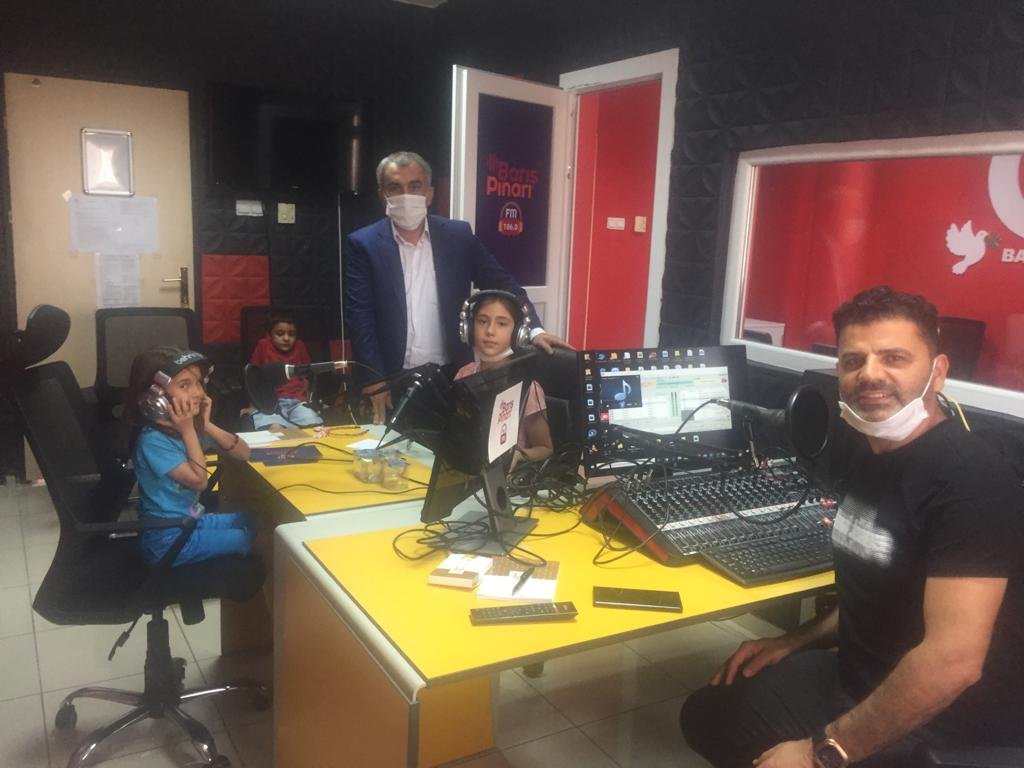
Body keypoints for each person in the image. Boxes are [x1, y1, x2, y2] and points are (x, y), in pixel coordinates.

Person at [680, 286, 1023, 767]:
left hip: (944, 723)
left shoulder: (971, 479)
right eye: (853, 361)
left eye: (895, 358)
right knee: (708, 716)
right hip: (858, 678)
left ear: (938, 371)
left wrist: (823, 752)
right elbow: (875, 595)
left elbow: (954, 662)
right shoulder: (871, 452)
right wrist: (793, 641)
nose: (871, 374)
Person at [343, 150, 571, 424]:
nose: (406, 195)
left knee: (451, 446)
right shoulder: (363, 244)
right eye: (395, 187)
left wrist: (535, 329)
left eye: (415, 186)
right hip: (391, 380)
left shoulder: (457, 236)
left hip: (452, 375)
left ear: (429, 193)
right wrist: (373, 379)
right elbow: (360, 317)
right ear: (383, 195)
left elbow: (503, 283)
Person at [123, 346, 256, 567]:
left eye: (199, 383)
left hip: (190, 523)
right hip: (165, 539)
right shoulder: (152, 440)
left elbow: (244, 453)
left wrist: (207, 425)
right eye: (184, 385)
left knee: (254, 520)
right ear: (156, 398)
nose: (199, 393)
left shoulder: (189, 428)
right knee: (249, 538)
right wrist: (188, 431)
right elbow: (199, 481)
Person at [454, 289, 553, 464]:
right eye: (482, 321)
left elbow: (545, 448)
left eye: (502, 323)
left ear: (518, 334)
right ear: (468, 329)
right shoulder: (464, 374)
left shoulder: (528, 389)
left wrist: (520, 455)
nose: (490, 331)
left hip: (507, 477)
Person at [247, 310, 324, 428]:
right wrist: (252, 406)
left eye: (291, 334)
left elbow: (309, 374)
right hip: (270, 404)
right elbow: (252, 377)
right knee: (275, 428)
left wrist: (310, 399)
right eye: (280, 334)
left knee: (313, 425)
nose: (286, 338)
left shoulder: (299, 346)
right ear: (269, 335)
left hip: (297, 403)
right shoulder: (263, 345)